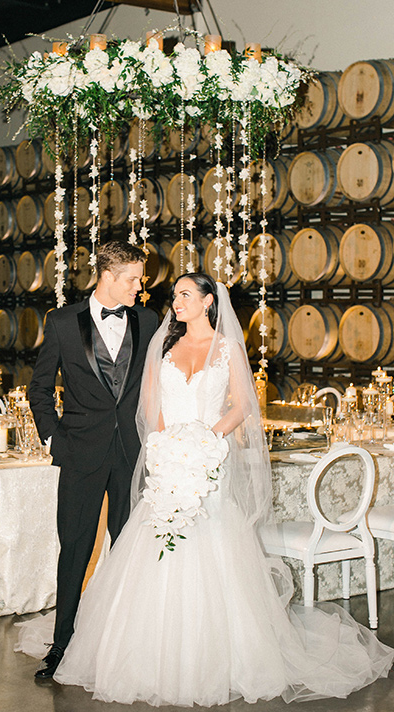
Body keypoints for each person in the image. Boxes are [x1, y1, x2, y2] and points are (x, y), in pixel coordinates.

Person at [20, 272, 393, 704]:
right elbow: (148, 403)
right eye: (174, 294)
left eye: (183, 295)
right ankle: (107, 646)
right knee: (140, 552)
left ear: (208, 301)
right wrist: (161, 446)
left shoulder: (229, 348)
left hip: (208, 465)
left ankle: (213, 655)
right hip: (163, 462)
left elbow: (242, 404)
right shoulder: (162, 344)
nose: (173, 302)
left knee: (211, 555)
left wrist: (208, 441)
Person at [27, 240, 158, 679]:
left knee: (128, 552)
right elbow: (39, 388)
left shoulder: (149, 319)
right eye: (133, 279)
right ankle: (61, 646)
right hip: (80, 452)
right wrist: (53, 440)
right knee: (76, 550)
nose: (139, 288)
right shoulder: (62, 322)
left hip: (132, 456)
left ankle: (124, 645)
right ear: (107, 276)